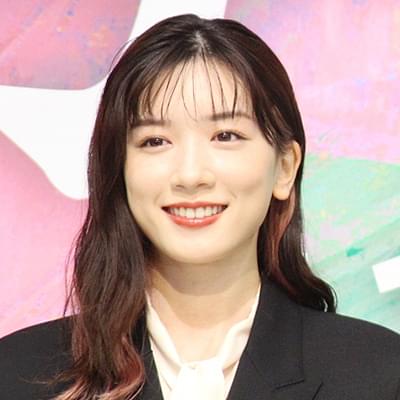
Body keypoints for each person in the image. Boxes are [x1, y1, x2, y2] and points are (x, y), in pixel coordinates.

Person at [0, 13, 399, 400]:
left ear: (284, 167)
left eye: (226, 135)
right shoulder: (18, 373)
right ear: (118, 167)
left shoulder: (378, 374)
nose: (190, 175)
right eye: (155, 141)